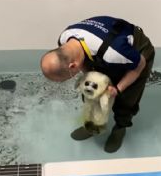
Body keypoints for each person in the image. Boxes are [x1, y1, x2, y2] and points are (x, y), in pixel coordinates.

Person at [40, 16, 155, 153]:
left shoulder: (113, 52)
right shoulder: (64, 39)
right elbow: (82, 66)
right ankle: (92, 126)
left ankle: (120, 128)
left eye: (67, 77)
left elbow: (140, 64)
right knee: (91, 90)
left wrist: (117, 89)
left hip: (136, 53)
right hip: (104, 48)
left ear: (72, 66)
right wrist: (91, 77)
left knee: (126, 98)